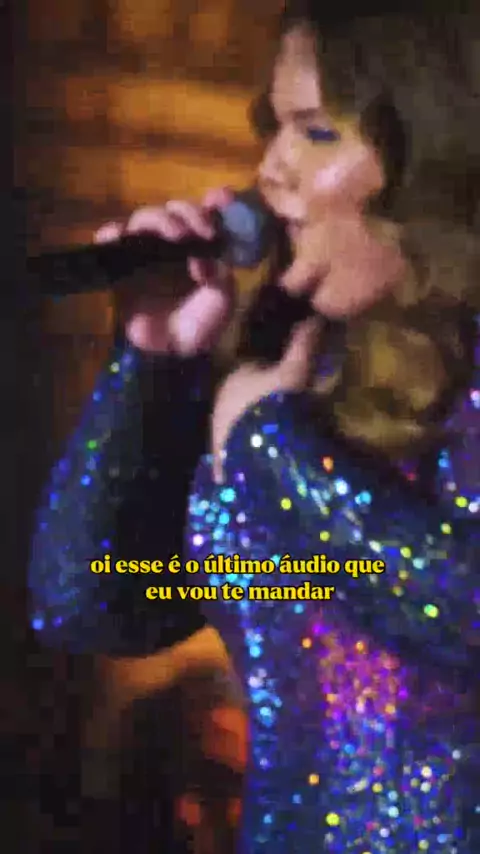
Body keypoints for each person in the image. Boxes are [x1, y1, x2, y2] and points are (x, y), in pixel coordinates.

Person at [29, 0, 480, 852]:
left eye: (317, 132)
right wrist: (152, 365)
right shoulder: (308, 376)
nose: (270, 170)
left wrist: (275, 448)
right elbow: (93, 603)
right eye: (275, 128)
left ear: (435, 156)